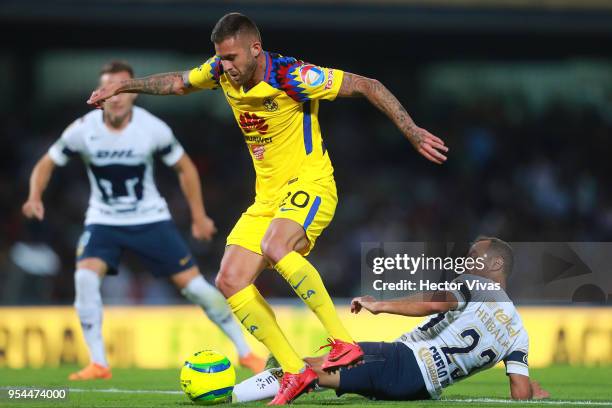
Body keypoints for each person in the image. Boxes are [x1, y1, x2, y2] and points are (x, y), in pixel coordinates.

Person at [86, 13, 449, 404]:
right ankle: (294, 370)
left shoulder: (293, 76)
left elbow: (368, 85)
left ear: (255, 49)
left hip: (310, 183)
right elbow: (177, 83)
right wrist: (125, 85)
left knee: (278, 247)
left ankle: (343, 342)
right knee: (229, 279)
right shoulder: (221, 73)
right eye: (220, 59)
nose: (224, 67)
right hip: (268, 198)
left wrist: (411, 131)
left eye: (231, 58)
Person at [22, 60, 264, 380]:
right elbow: (46, 163)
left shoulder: (152, 128)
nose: (117, 96)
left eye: (123, 88)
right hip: (104, 221)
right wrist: (34, 196)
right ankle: (99, 363)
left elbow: (185, 168)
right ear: (100, 94)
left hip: (150, 219)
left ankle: (246, 353)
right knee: (84, 278)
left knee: (195, 288)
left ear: (134, 93)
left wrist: (199, 215)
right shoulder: (83, 130)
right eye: (109, 89)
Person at [231, 237, 550, 403]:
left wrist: (380, 304)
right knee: (316, 373)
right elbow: (519, 392)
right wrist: (532, 395)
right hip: (421, 389)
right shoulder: (519, 333)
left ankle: (226, 395)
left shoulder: (477, 285)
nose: (466, 260)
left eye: (474, 255)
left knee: (302, 369)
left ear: (495, 263)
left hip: (404, 361)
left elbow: (432, 303)